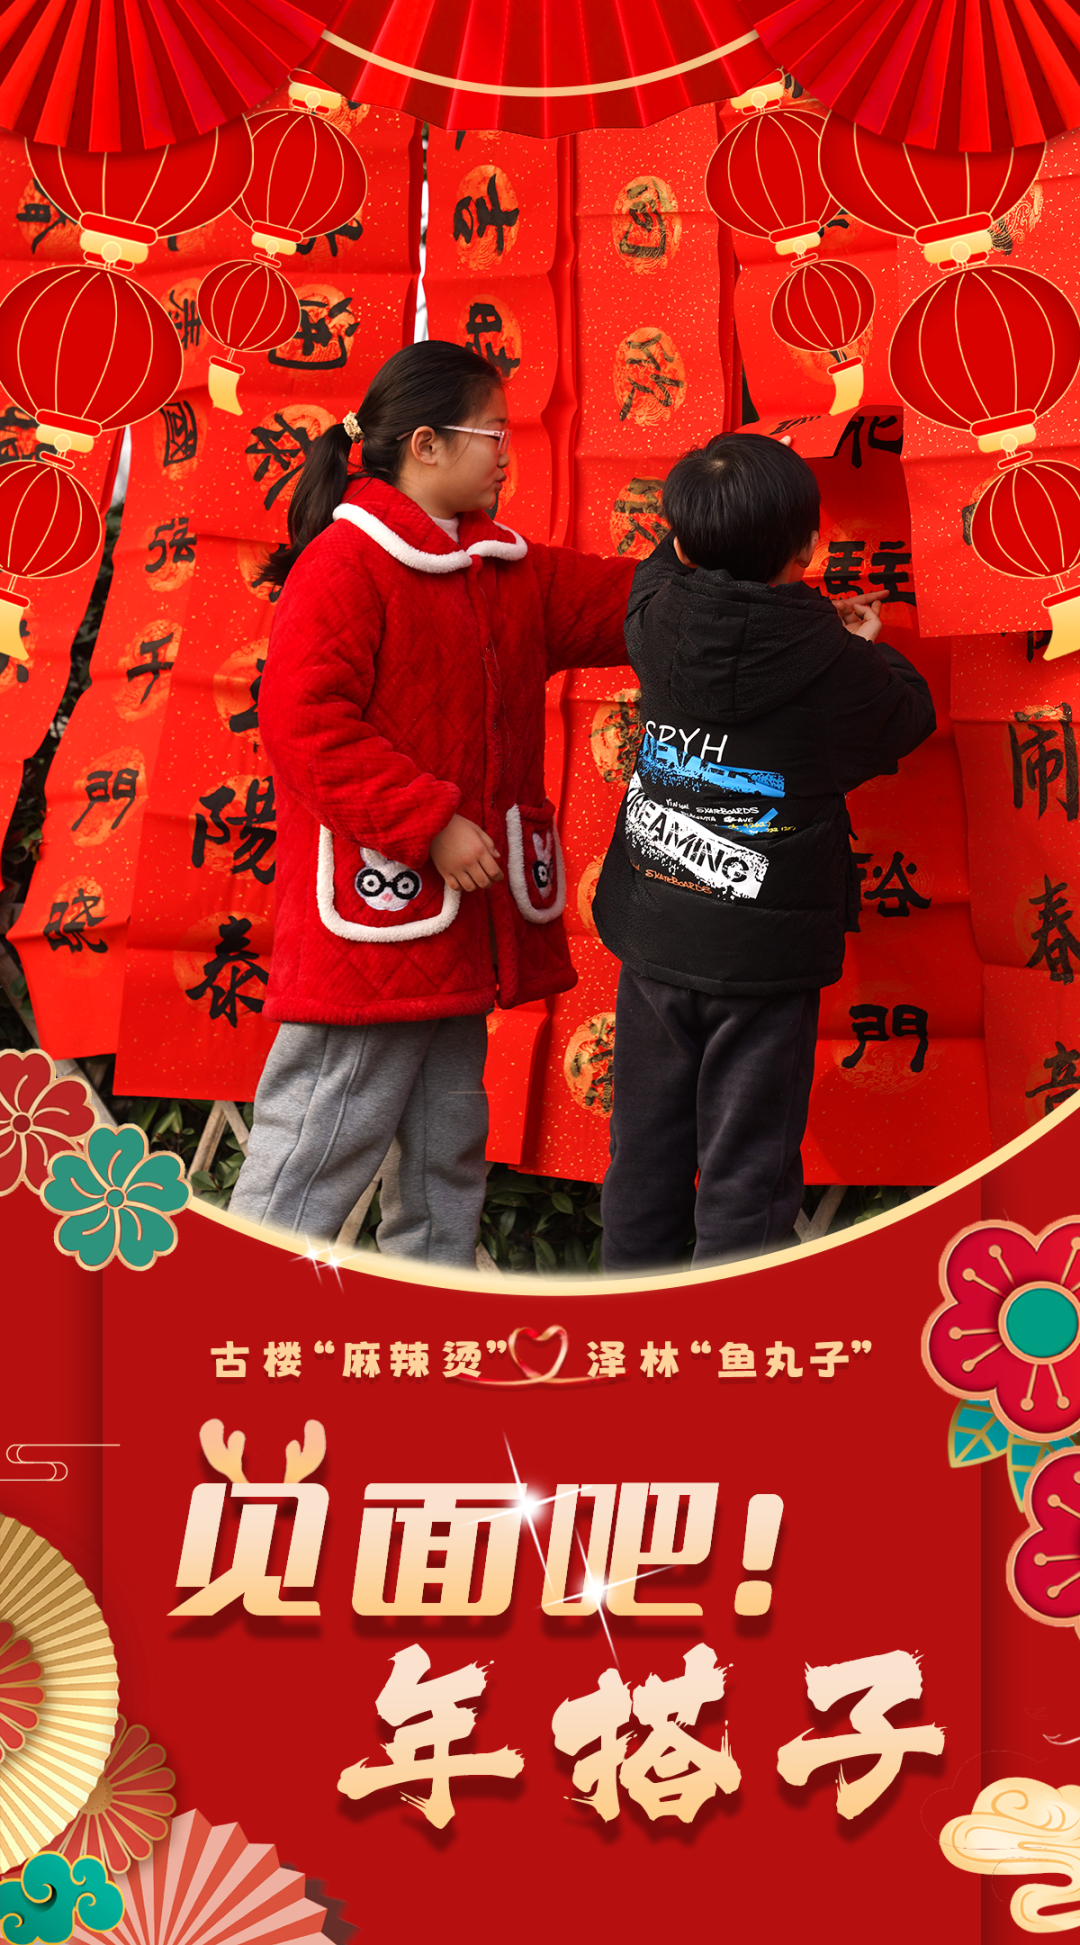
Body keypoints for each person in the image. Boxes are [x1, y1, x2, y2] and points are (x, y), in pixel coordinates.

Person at [229, 340, 635, 1267]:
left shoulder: (502, 568)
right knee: (311, 1157)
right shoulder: (345, 562)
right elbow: (303, 724)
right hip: (372, 929)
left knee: (445, 1161)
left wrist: (725, 562)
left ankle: (430, 1321)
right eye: (491, 433)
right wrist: (429, 822)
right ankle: (221, 1326)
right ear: (425, 444)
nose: (505, 453)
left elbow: (621, 602)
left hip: (456, 933)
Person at [592, 432, 935, 1273]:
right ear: (810, 548)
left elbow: (663, 564)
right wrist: (865, 643)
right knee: (747, 1174)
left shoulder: (653, 617)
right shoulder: (834, 663)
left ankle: (627, 1327)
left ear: (682, 543)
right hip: (764, 962)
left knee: (642, 1157)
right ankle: (730, 1338)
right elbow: (907, 715)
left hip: (656, 935)